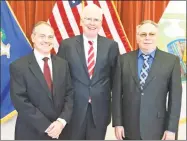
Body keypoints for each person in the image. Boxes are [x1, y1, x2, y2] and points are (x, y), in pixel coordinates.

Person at [57, 4, 119, 140]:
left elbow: (115, 80)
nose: (92, 23)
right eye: (88, 19)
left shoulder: (111, 46)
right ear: (81, 21)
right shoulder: (67, 45)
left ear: (101, 23)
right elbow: (59, 80)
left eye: (96, 20)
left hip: (99, 112)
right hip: (72, 111)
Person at [112, 20, 182, 140]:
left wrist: (171, 128)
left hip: (159, 129)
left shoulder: (172, 61)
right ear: (137, 37)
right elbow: (117, 94)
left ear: (157, 37)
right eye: (143, 34)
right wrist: (118, 123)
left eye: (152, 34)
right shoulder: (123, 60)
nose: (147, 38)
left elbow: (175, 99)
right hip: (129, 127)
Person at [10, 21, 74, 140]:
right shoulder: (18, 66)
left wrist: (61, 122)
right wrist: (48, 127)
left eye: (50, 37)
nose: (47, 40)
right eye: (42, 36)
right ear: (33, 37)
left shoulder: (63, 64)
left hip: (60, 132)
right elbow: (20, 101)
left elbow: (69, 94)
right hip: (30, 132)